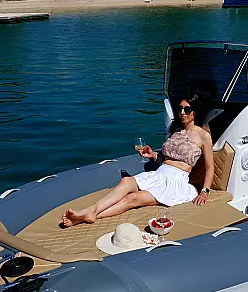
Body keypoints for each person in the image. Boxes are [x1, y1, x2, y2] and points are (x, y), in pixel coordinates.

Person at [61, 92, 215, 227]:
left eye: (187, 109)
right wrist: (153, 155)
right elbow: (167, 158)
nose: (182, 112)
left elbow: (210, 167)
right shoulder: (176, 130)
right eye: (180, 108)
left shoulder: (203, 136)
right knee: (126, 181)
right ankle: (91, 211)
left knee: (132, 199)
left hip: (175, 183)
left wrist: (204, 191)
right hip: (159, 174)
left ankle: (84, 218)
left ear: (195, 111)